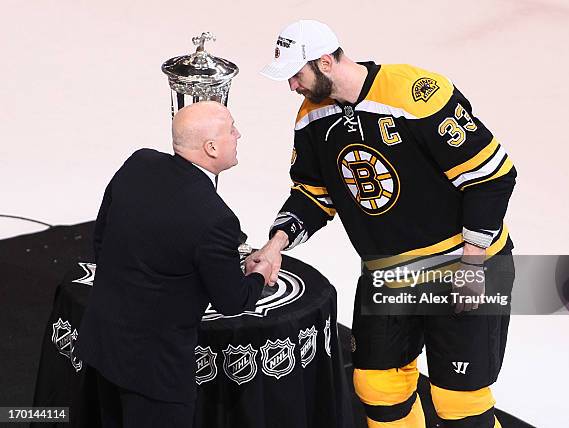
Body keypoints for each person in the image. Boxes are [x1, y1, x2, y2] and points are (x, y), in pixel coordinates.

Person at [254, 20, 517, 428]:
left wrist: (473, 263)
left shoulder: (414, 93)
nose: (291, 86)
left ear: (325, 61)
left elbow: (491, 175)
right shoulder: (311, 118)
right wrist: (276, 244)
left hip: (463, 266)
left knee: (459, 404)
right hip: (389, 274)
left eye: (296, 74)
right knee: (377, 389)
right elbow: (313, 194)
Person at [74, 101, 271, 428]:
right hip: (155, 372)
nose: (239, 134)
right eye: (232, 129)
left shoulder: (139, 162)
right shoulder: (216, 219)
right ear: (210, 147)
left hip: (103, 345)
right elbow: (231, 300)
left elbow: (101, 240)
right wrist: (259, 275)